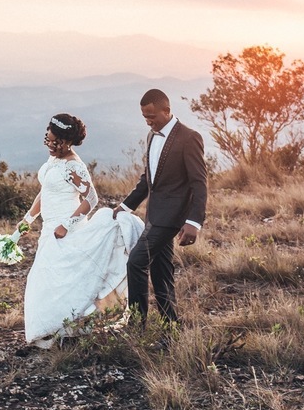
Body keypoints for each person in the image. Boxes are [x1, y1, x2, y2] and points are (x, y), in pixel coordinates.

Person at [20, 113, 145, 348]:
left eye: (57, 142)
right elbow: (44, 191)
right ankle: (55, 331)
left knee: (60, 281)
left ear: (68, 142)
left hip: (66, 230)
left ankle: (62, 330)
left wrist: (66, 225)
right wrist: (28, 218)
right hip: (49, 229)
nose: (52, 146)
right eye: (49, 140)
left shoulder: (73, 166)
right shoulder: (53, 161)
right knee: (50, 280)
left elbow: (91, 198)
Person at [113, 89, 208, 325]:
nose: (148, 121)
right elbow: (149, 179)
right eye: (145, 117)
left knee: (135, 263)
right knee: (161, 274)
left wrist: (194, 222)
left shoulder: (189, 137)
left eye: (152, 116)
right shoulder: (151, 136)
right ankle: (170, 328)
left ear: (167, 111)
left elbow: (199, 182)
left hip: (172, 218)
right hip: (153, 216)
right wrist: (126, 206)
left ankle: (136, 326)